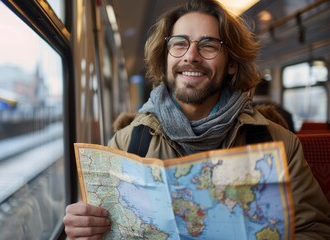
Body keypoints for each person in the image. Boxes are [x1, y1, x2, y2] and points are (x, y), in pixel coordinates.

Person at [63, 0, 330, 239]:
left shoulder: (280, 144)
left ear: (232, 64)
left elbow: (316, 230)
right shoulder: (128, 144)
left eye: (208, 45)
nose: (191, 55)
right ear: (165, 57)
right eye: (179, 43)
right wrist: (88, 231)